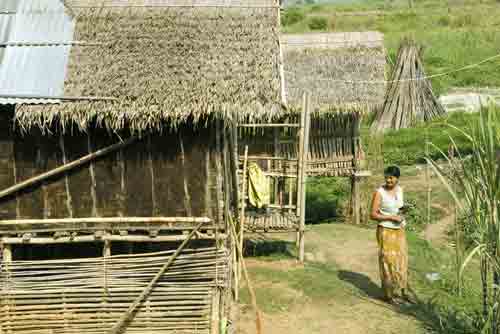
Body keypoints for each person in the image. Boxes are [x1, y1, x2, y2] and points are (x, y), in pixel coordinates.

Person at [370, 165, 411, 304]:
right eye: (386, 177)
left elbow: (398, 208)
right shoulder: (379, 192)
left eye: (391, 178)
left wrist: (402, 213)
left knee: (402, 260)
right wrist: (390, 218)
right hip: (385, 231)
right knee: (388, 261)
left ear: (397, 179)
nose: (388, 180)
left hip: (399, 230)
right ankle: (389, 295)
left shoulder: (400, 190)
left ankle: (403, 290)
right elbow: (373, 214)